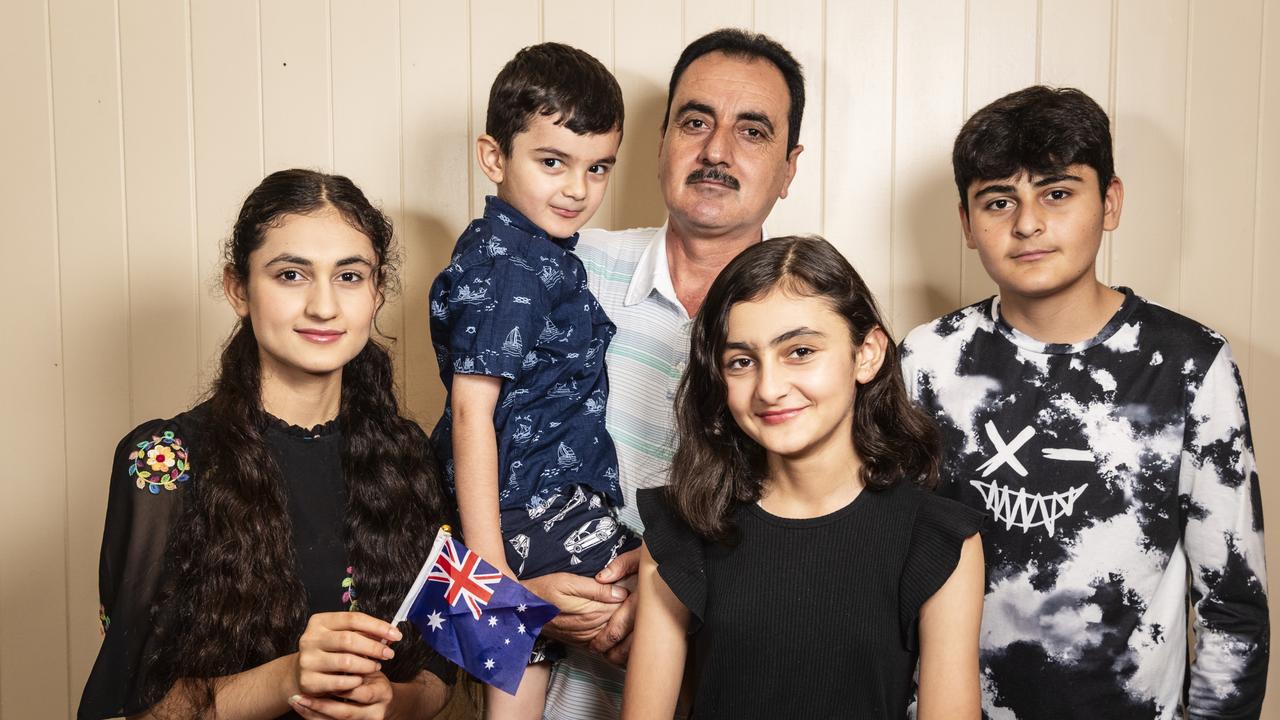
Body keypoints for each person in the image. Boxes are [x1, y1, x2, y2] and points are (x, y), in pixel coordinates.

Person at [900, 86, 1269, 718]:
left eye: (1058, 193)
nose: (1027, 223)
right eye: (998, 201)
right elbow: (887, 576)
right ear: (967, 223)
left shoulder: (1188, 364)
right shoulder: (926, 361)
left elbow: (1232, 603)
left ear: (1110, 202)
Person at [77, 169, 455, 720]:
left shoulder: (408, 453)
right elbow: (130, 708)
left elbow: (441, 667)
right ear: (239, 290)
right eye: (292, 275)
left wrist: (390, 701)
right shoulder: (163, 460)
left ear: (376, 294)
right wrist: (290, 677)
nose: (324, 306)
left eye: (349, 276)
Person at [539, 28, 807, 720]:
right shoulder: (559, 271)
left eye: (752, 132)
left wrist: (666, 588)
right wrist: (520, 584)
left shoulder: (820, 330)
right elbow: (464, 463)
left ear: (789, 167)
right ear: (659, 143)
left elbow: (834, 539)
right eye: (695, 122)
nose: (716, 151)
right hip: (548, 691)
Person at [621, 236, 984, 719]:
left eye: (799, 351)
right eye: (742, 361)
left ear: (867, 354)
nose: (769, 389)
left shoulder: (939, 539)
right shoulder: (683, 526)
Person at [427, 43, 639, 719]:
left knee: (516, 690)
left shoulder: (528, 252)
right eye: (553, 162)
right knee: (672, 618)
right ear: (495, 157)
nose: (577, 188)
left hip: (513, 509)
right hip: (535, 507)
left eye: (598, 167)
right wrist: (489, 570)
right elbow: (470, 412)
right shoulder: (510, 265)